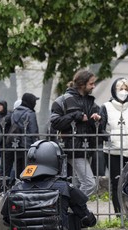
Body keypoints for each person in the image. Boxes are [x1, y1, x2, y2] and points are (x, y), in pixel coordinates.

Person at [50, 69, 105, 197]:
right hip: (72, 148)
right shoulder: (63, 100)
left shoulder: (90, 102)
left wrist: (96, 119)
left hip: (87, 147)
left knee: (77, 184)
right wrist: (76, 116)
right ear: (82, 84)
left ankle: (74, 212)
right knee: (89, 184)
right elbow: (55, 123)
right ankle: (75, 208)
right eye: (91, 84)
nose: (93, 86)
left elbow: (98, 126)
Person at [99, 78, 128, 214]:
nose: (123, 92)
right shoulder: (106, 107)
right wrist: (111, 138)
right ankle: (118, 213)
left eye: (126, 89)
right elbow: (100, 130)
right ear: (114, 90)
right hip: (112, 152)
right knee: (116, 183)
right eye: (120, 89)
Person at [3, 93, 40, 191]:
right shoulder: (30, 113)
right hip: (27, 145)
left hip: (16, 144)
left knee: (18, 168)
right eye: (34, 101)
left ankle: (16, 188)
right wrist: (37, 145)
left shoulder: (15, 112)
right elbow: (33, 131)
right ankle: (26, 189)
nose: (35, 103)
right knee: (27, 169)